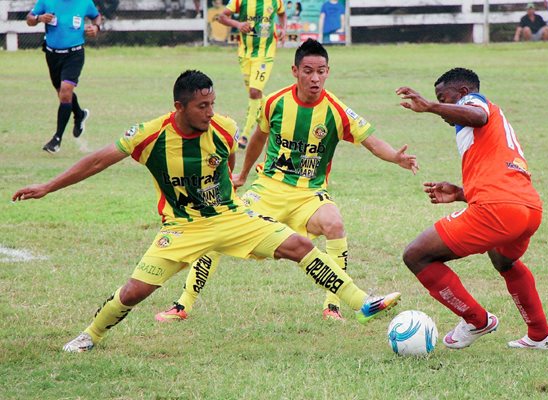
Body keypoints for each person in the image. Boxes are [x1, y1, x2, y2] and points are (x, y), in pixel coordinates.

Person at [12, 70, 402, 353]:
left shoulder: (224, 127)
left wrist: (232, 177)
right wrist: (47, 187)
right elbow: (97, 162)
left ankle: (361, 303)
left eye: (212, 103)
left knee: (299, 245)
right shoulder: (149, 135)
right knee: (134, 292)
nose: (210, 112)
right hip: (181, 228)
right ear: (179, 106)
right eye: (201, 106)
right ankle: (91, 336)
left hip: (232, 219)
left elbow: (229, 155)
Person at [155, 40, 419, 323]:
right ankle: (182, 305)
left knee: (334, 223)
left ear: (328, 72)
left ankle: (333, 307)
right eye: (308, 71)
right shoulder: (275, 102)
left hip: (309, 194)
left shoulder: (336, 110)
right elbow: (258, 137)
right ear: (295, 70)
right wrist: (243, 175)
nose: (315, 78)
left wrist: (395, 157)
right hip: (268, 190)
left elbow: (371, 141)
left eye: (321, 71)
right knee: (216, 232)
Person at [396, 67, 548, 351]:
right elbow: (499, 172)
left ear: (461, 93)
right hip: (528, 207)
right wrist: (461, 193)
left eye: (443, 96)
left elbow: (478, 114)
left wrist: (431, 106)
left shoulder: (475, 103)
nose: (443, 105)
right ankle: (540, 335)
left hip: (498, 209)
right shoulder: (488, 124)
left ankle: (477, 320)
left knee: (416, 255)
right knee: (503, 260)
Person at [27, 0, 101, 154]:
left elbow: (96, 16)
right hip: (52, 55)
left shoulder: (84, 2)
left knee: (66, 92)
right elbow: (30, 20)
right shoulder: (46, 1)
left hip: (75, 54)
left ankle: (56, 139)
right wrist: (39, 19)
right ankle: (79, 114)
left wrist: (96, 27)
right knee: (62, 94)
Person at [218, 0, 287, 150]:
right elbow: (221, 17)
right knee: (256, 94)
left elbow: (282, 14)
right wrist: (238, 25)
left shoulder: (276, 1)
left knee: (254, 92)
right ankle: (276, 112)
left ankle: (245, 135)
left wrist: (283, 29)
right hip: (245, 55)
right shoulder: (240, 1)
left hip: (265, 54)